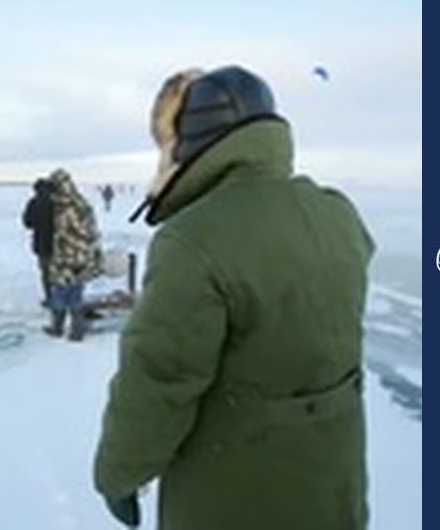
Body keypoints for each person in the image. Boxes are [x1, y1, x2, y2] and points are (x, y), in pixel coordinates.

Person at [93, 65, 375, 529]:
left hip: (235, 498)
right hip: (334, 489)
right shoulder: (337, 213)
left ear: (188, 142)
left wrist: (119, 474)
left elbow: (160, 380)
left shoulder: (193, 240)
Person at [44, 168, 102, 342]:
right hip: (73, 255)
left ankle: (72, 331)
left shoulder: (70, 207)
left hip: (71, 257)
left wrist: (68, 248)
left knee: (67, 292)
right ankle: (63, 329)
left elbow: (83, 233)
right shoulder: (75, 202)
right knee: (66, 291)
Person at [22, 177, 55, 306]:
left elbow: (27, 222)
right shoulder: (57, 203)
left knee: (46, 274)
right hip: (59, 244)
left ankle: (50, 298)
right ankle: (61, 299)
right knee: (60, 273)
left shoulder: (33, 203)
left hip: (41, 244)